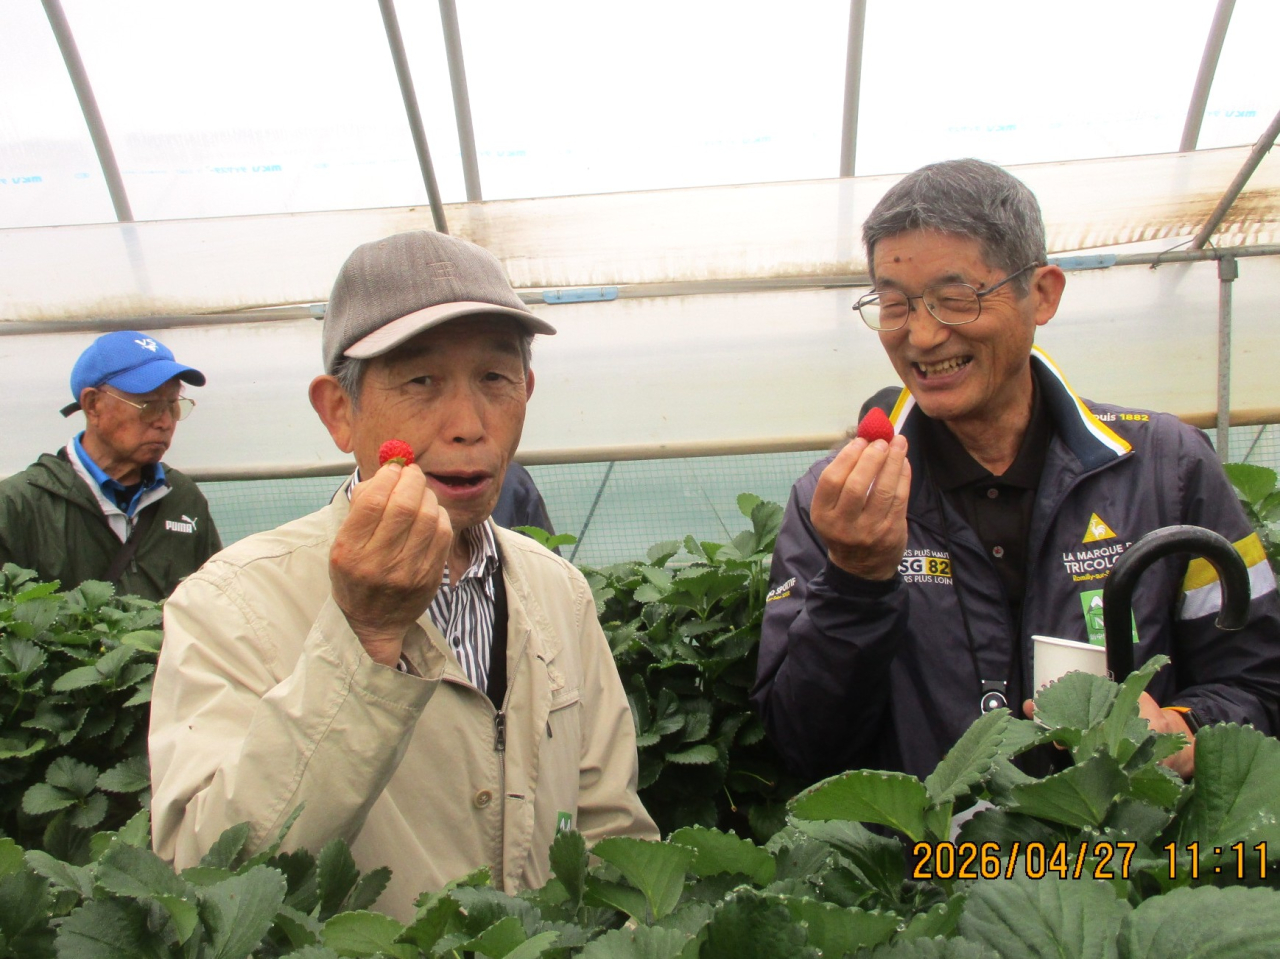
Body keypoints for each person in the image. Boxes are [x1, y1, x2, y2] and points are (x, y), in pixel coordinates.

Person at [149, 230, 657, 920]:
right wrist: (362, 636)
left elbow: (609, 831)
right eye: (421, 381)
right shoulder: (229, 605)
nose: (469, 424)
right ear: (339, 411)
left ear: (527, 391)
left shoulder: (557, 591)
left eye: (495, 378)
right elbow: (207, 878)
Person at [752, 158, 1280, 784]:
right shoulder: (837, 500)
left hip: (1121, 843)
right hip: (930, 848)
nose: (922, 336)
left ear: (1043, 294)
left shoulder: (1168, 466)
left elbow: (1258, 682)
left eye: (955, 300)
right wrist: (855, 581)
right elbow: (803, 746)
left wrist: (1183, 731)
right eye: (894, 305)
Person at [0, 331, 220, 600]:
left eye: (173, 405)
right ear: (93, 405)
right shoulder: (18, 506)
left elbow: (215, 601)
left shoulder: (183, 497)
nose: (165, 422)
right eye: (149, 405)